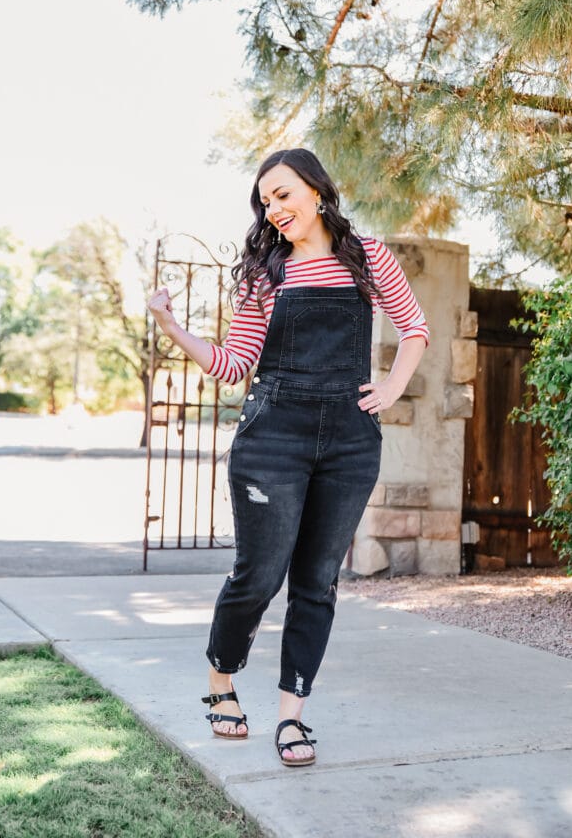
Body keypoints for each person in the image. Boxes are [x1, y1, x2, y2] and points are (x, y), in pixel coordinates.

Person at [148, 147, 428, 767]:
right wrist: (173, 329)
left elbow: (415, 328)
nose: (274, 209)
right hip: (272, 436)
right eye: (265, 200)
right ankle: (222, 681)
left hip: (350, 443)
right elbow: (233, 364)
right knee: (260, 575)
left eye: (283, 193)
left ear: (317, 190)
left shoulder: (367, 257)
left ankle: (290, 715)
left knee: (317, 583)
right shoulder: (264, 273)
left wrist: (391, 387)